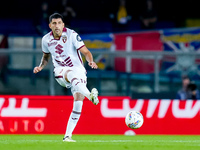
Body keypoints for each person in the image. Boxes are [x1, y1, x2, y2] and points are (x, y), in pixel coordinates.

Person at [33, 13, 99, 142]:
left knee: (78, 103)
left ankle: (67, 136)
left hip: (78, 70)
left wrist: (90, 61)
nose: (57, 26)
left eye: (59, 23)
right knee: (70, 73)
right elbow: (46, 57)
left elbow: (86, 52)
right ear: (50, 25)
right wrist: (40, 66)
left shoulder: (72, 35)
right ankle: (90, 95)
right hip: (60, 71)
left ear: (63, 24)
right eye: (54, 23)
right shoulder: (45, 40)